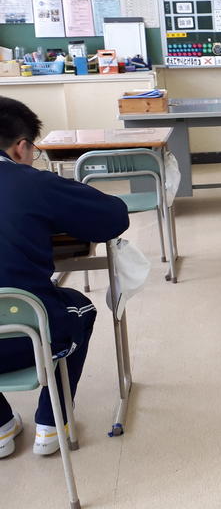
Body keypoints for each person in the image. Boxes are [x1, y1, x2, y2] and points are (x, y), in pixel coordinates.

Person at [0, 97, 129, 459]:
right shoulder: (30, 182)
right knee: (80, 309)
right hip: (22, 338)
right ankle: (51, 422)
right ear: (21, 147)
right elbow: (113, 217)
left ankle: (1, 427)